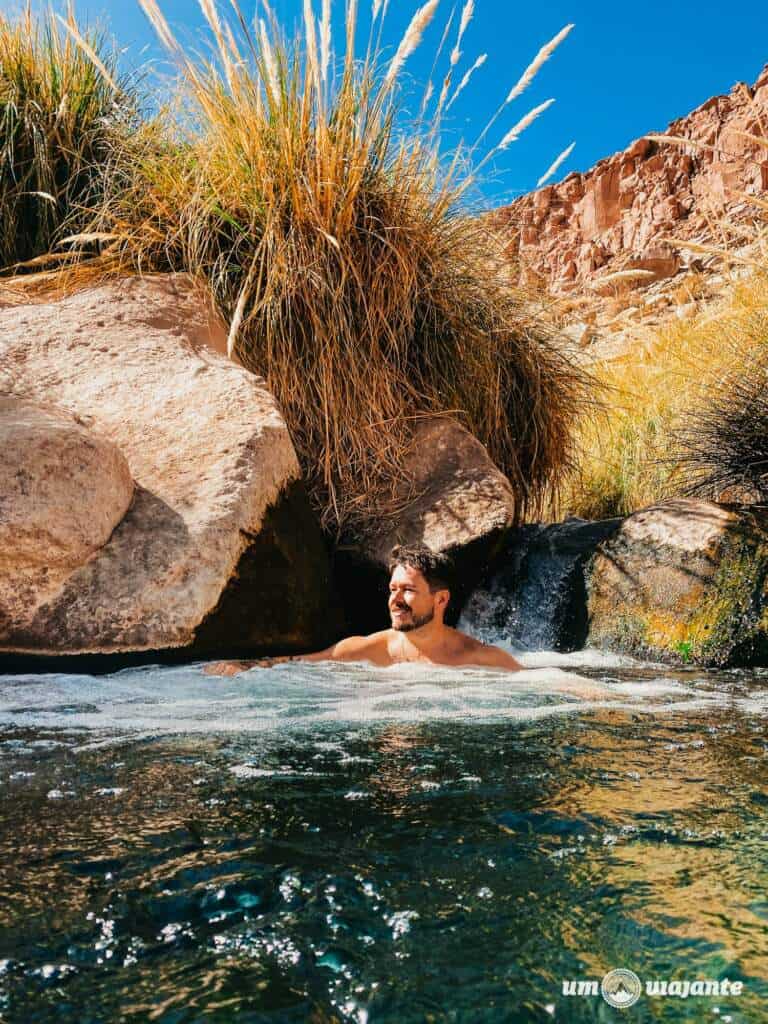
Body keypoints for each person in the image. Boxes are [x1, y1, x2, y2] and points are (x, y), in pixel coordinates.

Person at [205, 544, 524, 675]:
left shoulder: (479, 658)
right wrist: (243, 666)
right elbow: (297, 664)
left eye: (408, 590)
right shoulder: (369, 649)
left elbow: (536, 681)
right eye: (393, 589)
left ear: (441, 600)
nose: (395, 600)